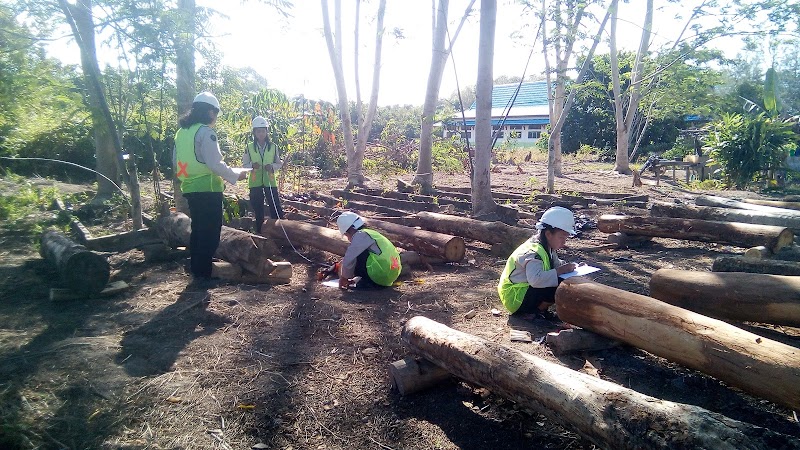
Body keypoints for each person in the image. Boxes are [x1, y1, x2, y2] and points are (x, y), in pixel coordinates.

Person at [174, 91, 248, 280]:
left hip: (190, 188)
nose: (215, 118)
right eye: (214, 113)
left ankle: (197, 268)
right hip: (208, 189)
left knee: (198, 229)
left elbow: (177, 164)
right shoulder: (205, 133)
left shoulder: (181, 133)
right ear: (209, 111)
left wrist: (188, 179)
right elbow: (214, 164)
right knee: (210, 233)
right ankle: (203, 273)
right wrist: (235, 176)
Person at [497, 206, 578, 318]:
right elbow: (536, 280)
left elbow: (556, 265)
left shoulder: (547, 247)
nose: (564, 242)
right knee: (559, 287)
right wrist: (561, 271)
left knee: (560, 281)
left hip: (524, 293)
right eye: (561, 237)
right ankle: (533, 312)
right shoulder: (533, 252)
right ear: (548, 234)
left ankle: (539, 311)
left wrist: (574, 267)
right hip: (515, 299)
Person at [335, 212, 401, 289]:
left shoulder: (360, 235)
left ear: (350, 229)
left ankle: (368, 282)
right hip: (391, 274)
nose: (348, 239)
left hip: (381, 275)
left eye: (346, 235)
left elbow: (349, 258)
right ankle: (368, 280)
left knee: (357, 255)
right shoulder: (371, 233)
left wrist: (344, 278)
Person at [243, 115, 285, 233]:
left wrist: (272, 167)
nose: (261, 134)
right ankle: (260, 231)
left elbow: (279, 163)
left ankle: (281, 230)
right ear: (254, 133)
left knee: (275, 205)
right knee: (258, 207)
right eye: (258, 131)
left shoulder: (273, 147)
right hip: (255, 181)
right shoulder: (249, 147)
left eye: (263, 131)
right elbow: (244, 165)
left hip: (269, 180)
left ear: (267, 132)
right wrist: (252, 165)